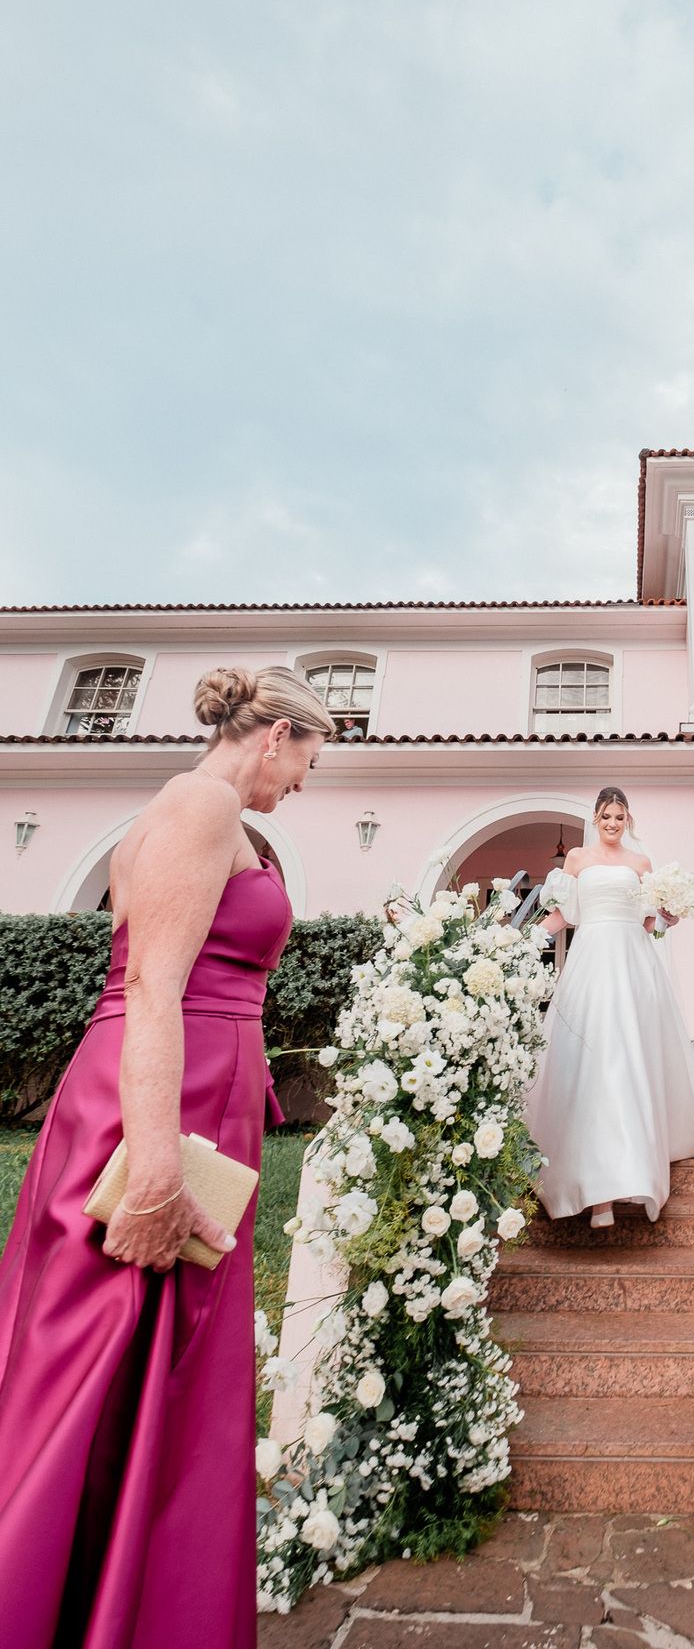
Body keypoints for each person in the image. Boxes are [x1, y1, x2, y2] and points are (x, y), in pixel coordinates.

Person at [0, 665, 334, 1649]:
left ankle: (118, 1609)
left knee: (144, 1369)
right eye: (309, 758)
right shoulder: (198, 804)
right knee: (99, 1358)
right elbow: (152, 989)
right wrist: (152, 1174)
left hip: (188, 1112)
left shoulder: (208, 813)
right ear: (273, 734)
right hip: (154, 1118)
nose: (305, 785)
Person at [524, 787, 694, 1228]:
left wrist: (670, 915)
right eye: (607, 816)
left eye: (620, 817)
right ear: (595, 817)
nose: (613, 823)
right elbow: (562, 917)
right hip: (592, 960)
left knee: (626, 1057)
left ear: (627, 820)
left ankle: (624, 1178)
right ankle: (594, 1186)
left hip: (633, 962)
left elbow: (651, 925)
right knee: (590, 1056)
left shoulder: (641, 865)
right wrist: (515, 943)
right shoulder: (575, 859)